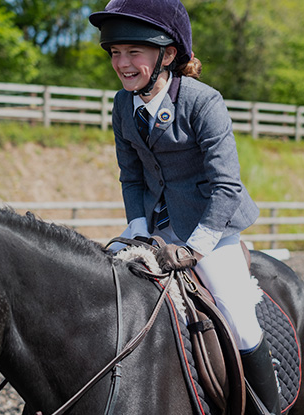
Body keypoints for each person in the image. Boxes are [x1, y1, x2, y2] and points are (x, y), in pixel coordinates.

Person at [89, 1, 280, 414]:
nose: (122, 63)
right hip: (156, 223)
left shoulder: (203, 101)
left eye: (133, 52)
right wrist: (138, 231)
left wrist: (195, 249)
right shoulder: (123, 105)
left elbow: (226, 185)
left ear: (168, 55)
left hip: (213, 225)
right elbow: (132, 177)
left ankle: (269, 407)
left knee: (238, 317)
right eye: (115, 52)